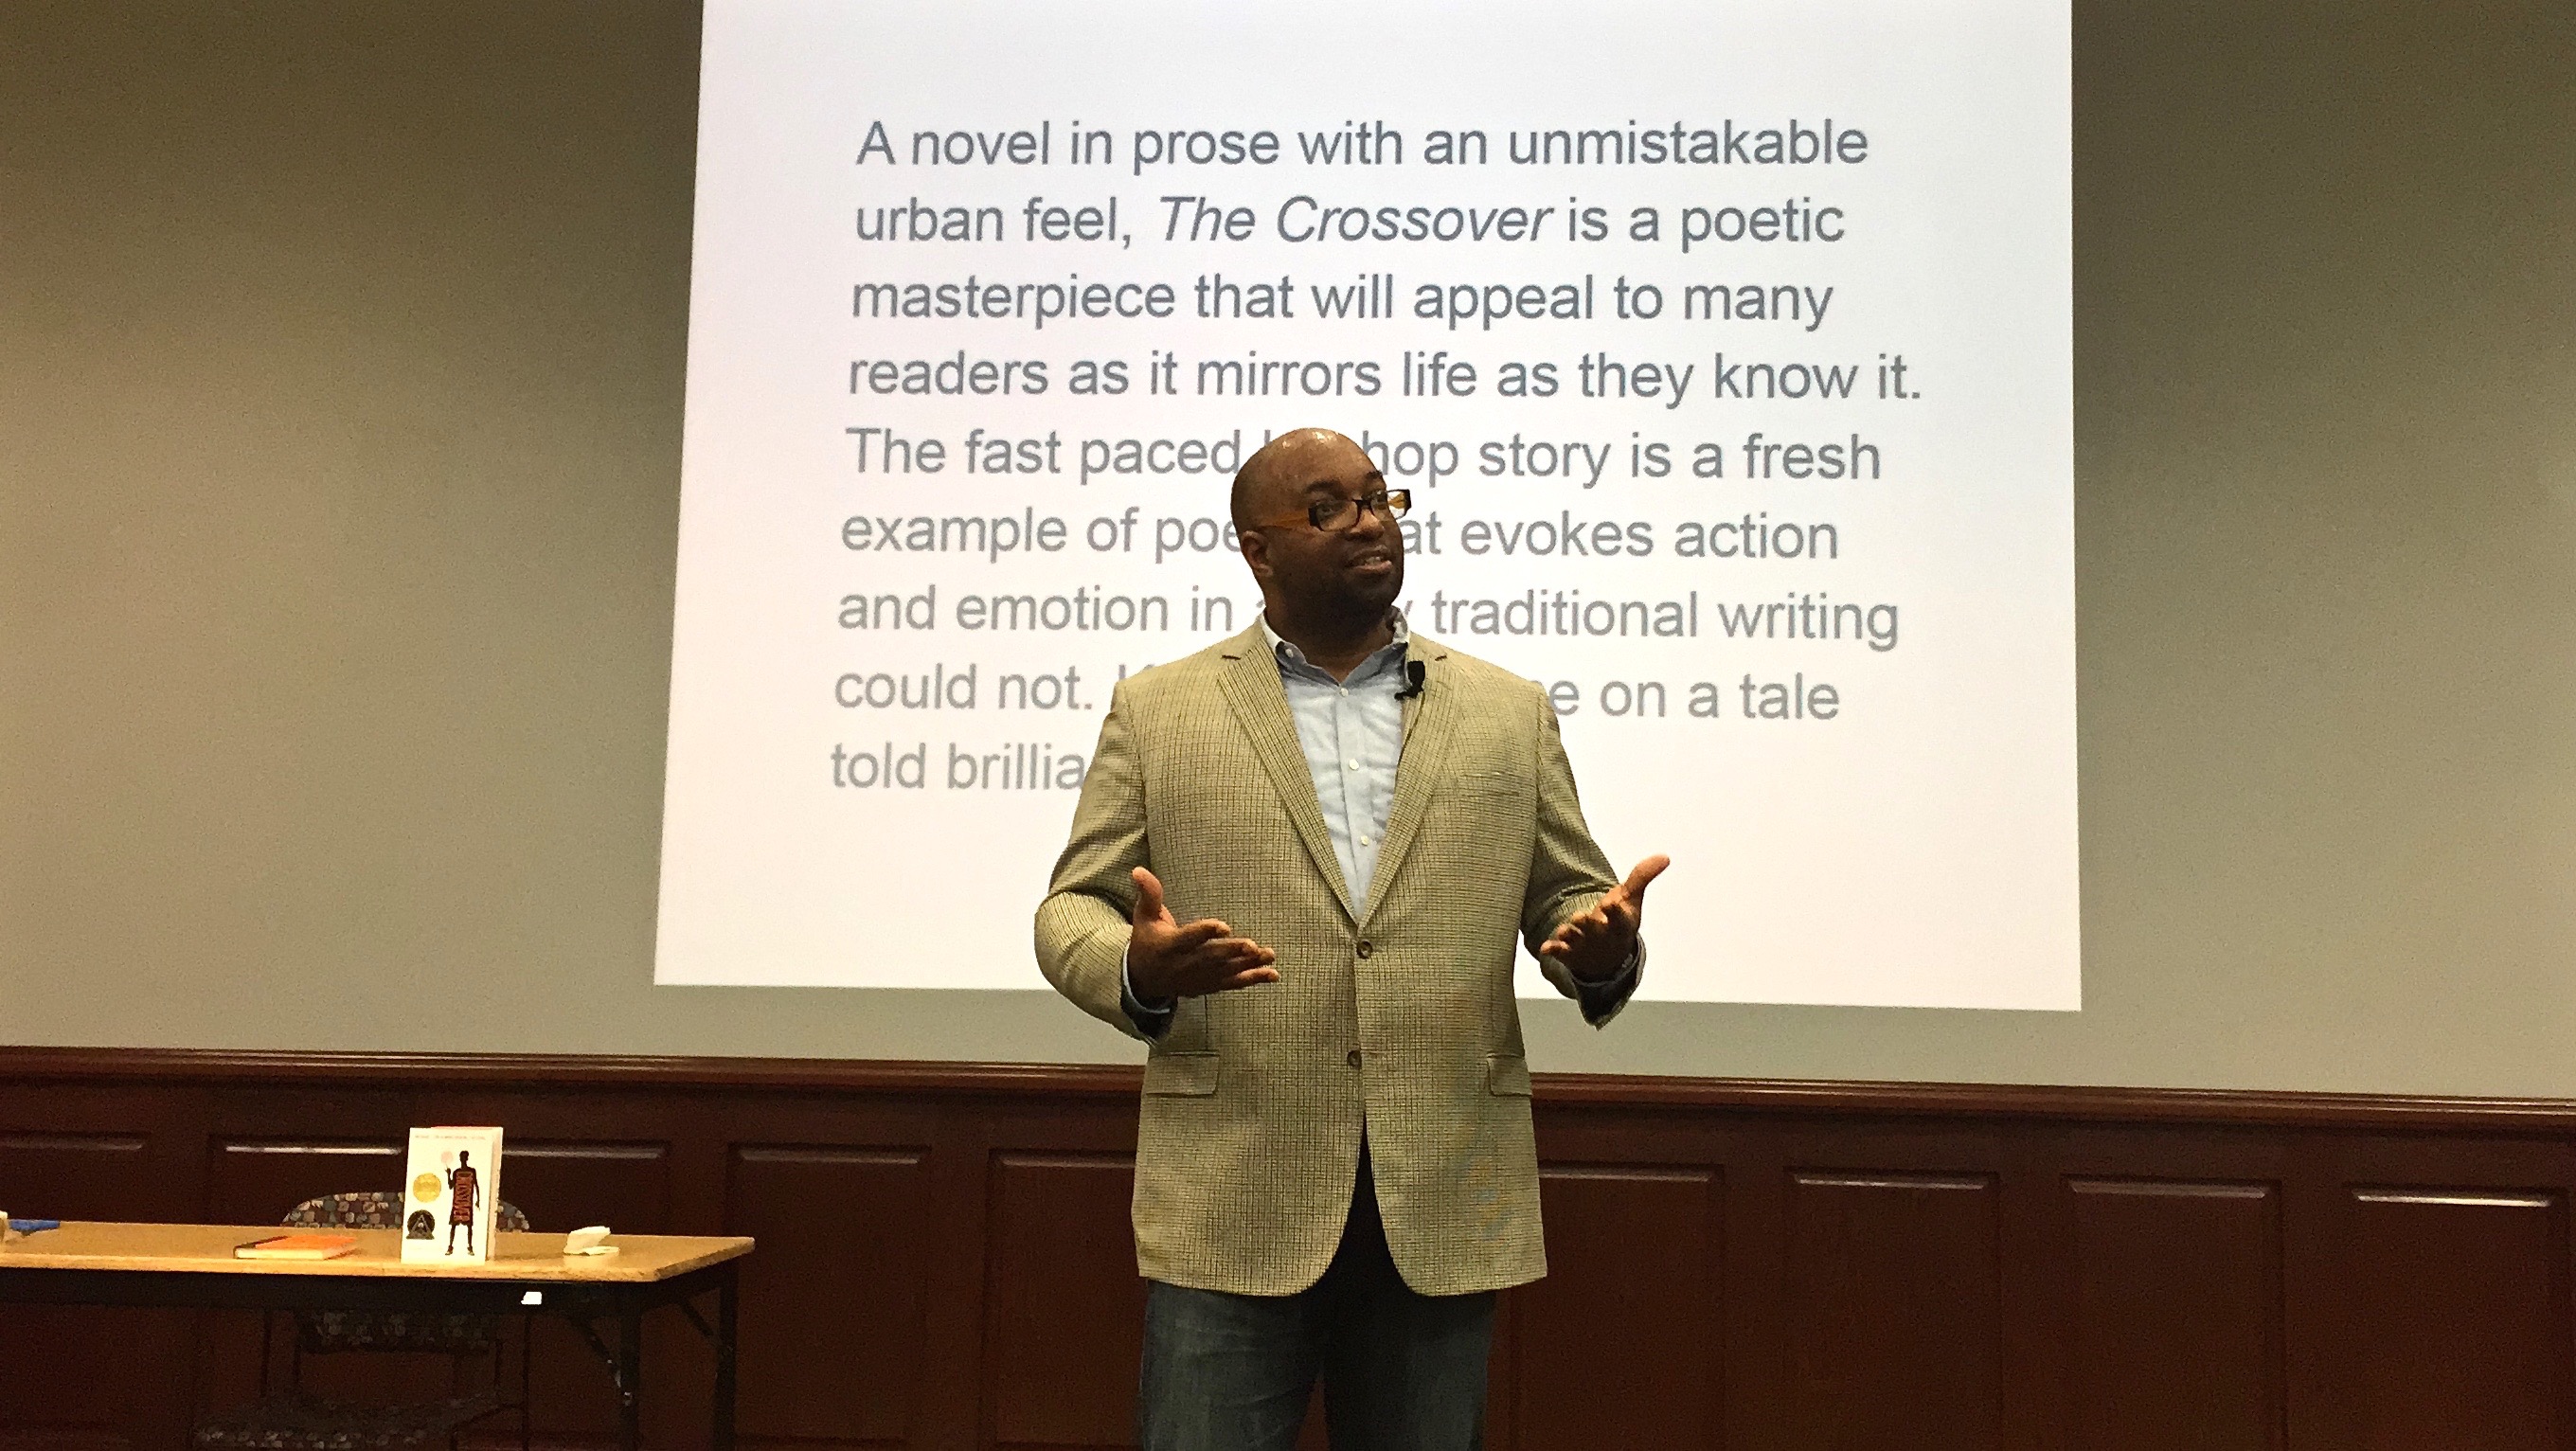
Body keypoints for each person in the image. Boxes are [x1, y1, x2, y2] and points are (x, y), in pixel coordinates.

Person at [1036, 427, 1668, 1450]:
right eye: (1326, 507)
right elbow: (1071, 907)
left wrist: (1598, 950)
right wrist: (1135, 967)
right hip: (1235, 1193)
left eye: (1378, 498)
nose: (1367, 520)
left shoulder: (1507, 711)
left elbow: (1571, 897)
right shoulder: (1160, 708)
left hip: (1440, 1193)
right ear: (1256, 548)